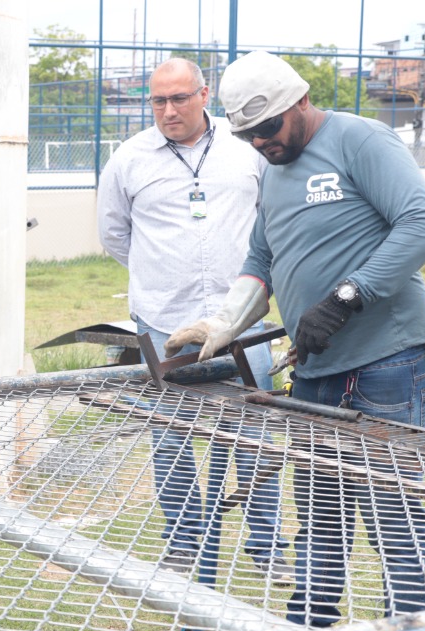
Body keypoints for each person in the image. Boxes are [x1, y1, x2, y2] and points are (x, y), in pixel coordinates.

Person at [167, 50, 425, 627]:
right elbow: (261, 259)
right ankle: (309, 628)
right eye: (247, 135)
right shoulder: (273, 171)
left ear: (301, 101)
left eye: (269, 127)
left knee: (390, 509)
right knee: (320, 508)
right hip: (317, 368)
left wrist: (347, 296)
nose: (261, 142)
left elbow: (424, 224)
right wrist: (225, 323)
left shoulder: (359, 141)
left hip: (386, 362)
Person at [97, 58, 285, 582]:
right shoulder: (129, 159)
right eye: (158, 101)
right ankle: (182, 542)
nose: (168, 110)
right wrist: (161, 278)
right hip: (164, 321)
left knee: (255, 433)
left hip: (242, 320)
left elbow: (271, 217)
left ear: (204, 95)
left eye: (179, 98)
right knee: (172, 439)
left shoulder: (246, 149)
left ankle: (267, 544)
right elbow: (114, 235)